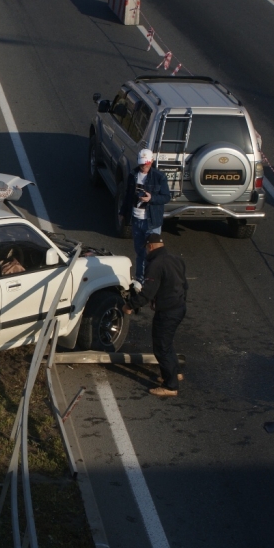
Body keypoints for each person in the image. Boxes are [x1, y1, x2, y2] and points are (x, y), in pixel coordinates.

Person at [123, 233, 187, 397]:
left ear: (149, 246)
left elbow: (148, 292)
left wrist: (130, 305)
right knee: (167, 342)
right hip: (179, 307)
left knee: (161, 348)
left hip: (167, 312)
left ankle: (170, 386)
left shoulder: (156, 265)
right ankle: (175, 372)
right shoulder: (176, 259)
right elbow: (184, 285)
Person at [120, 148, 170, 286]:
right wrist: (123, 212)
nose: (144, 167)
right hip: (137, 220)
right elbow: (128, 195)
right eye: (142, 164)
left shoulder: (159, 177)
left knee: (154, 254)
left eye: (146, 164)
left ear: (151, 162)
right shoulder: (133, 175)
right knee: (140, 252)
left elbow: (166, 197)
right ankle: (140, 279)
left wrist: (151, 198)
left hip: (152, 222)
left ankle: (154, 279)